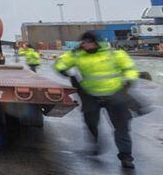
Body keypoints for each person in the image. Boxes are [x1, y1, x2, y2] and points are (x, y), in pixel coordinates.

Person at [54, 31, 140, 169]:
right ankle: (95, 143)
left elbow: (130, 68)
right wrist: (64, 70)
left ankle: (126, 156)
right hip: (90, 95)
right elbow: (60, 63)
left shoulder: (114, 54)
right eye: (82, 42)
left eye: (87, 42)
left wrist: (129, 80)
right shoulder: (77, 55)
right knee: (90, 121)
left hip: (114, 94)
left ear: (95, 43)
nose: (84, 45)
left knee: (121, 127)